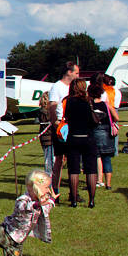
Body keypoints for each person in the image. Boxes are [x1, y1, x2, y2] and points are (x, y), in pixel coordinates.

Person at [64, 78, 98, 207]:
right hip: (88, 137)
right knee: (91, 170)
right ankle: (91, 200)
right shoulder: (89, 101)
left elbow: (67, 117)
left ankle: (73, 200)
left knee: (74, 170)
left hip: (74, 137)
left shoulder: (69, 101)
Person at [48, 61, 80, 202]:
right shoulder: (57, 87)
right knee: (59, 160)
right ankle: (55, 191)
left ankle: (74, 192)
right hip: (61, 126)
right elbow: (52, 105)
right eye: (76, 73)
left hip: (73, 125)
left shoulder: (73, 88)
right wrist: (55, 123)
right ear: (69, 72)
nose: (78, 75)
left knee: (73, 160)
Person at [89, 84, 117, 191]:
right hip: (107, 132)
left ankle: (98, 180)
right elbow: (116, 117)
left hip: (95, 132)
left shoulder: (89, 105)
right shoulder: (106, 105)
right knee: (107, 159)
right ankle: (108, 184)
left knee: (97, 157)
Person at [37, 92, 54, 175]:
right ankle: (49, 176)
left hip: (46, 138)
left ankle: (51, 175)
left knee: (50, 159)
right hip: (48, 138)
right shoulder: (45, 112)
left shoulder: (41, 111)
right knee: (49, 160)